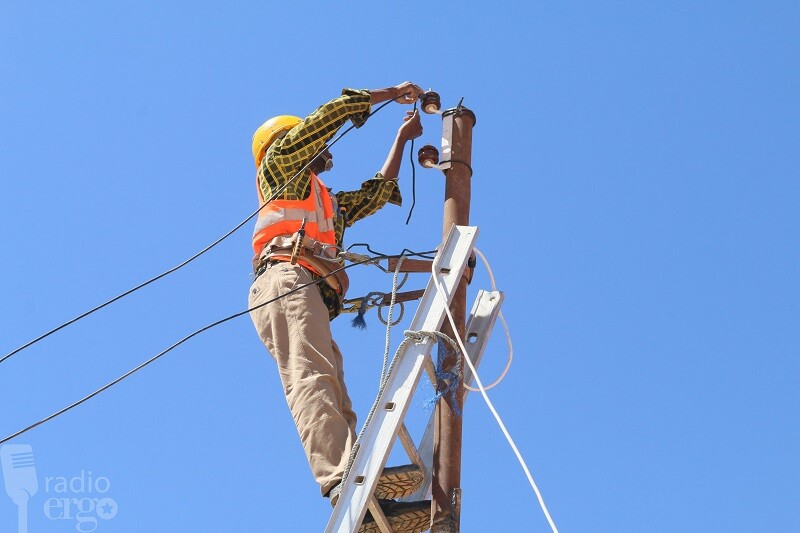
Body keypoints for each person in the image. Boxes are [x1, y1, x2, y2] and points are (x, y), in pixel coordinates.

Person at [248, 83, 430, 531]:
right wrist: (388, 93)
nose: (327, 150)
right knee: (311, 378)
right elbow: (328, 117)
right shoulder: (281, 166)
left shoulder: (324, 201)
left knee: (334, 390)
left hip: (305, 289)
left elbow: (374, 194)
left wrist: (401, 139)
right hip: (285, 280)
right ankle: (340, 480)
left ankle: (365, 499)